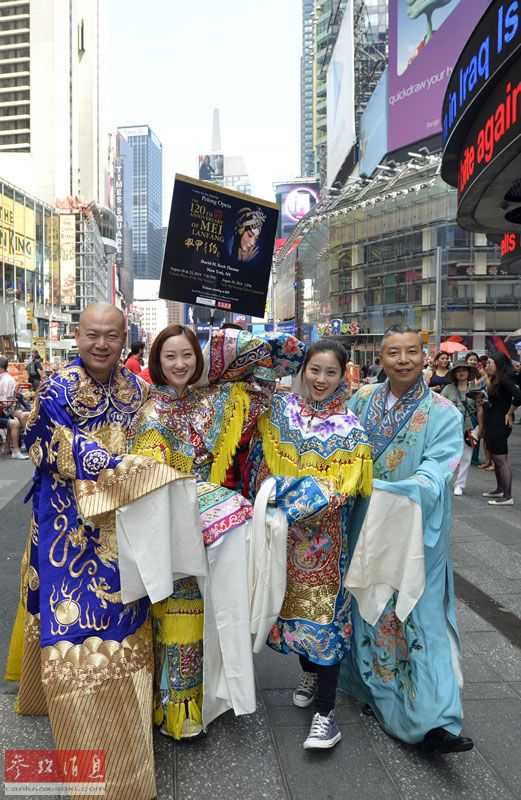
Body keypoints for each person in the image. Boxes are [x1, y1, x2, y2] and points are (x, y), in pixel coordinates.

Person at [7, 303, 189, 800]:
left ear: (125, 336)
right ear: (78, 336)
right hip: (66, 521)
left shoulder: (137, 390)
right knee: (71, 621)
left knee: (127, 612)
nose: (102, 344)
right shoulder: (57, 387)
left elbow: (156, 437)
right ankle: (87, 747)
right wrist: (120, 464)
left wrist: (150, 465)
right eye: (92, 335)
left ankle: (124, 727)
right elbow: (51, 445)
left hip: (123, 520)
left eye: (112, 335)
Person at [129, 324, 305, 739]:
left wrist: (229, 337)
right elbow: (155, 478)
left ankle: (206, 699)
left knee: (213, 616)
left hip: (216, 529)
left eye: (188, 355)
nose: (179, 364)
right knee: (176, 616)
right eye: (170, 356)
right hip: (170, 526)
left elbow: (282, 363)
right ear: (156, 360)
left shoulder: (218, 400)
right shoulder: (146, 410)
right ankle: (174, 710)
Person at [341, 325, 474, 754]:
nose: (403, 360)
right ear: (380, 358)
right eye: (393, 352)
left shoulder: (443, 413)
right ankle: (377, 694)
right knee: (372, 610)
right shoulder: (359, 401)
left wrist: (411, 487)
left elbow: (442, 465)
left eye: (411, 352)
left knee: (422, 616)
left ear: (425, 357)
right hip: (368, 528)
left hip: (418, 530)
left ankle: (435, 719)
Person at [243, 340, 372, 750]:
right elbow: (258, 462)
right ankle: (310, 673)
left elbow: (340, 490)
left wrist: (279, 490)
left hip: (325, 547)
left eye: (330, 372)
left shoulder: (351, 429)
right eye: (314, 370)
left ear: (343, 376)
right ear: (303, 370)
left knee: (326, 625)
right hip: (281, 542)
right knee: (292, 617)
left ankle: (326, 714)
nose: (321, 380)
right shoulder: (280, 411)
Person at [480, 352, 521, 506]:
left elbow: (518, 396)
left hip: (499, 423)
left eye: (490, 362)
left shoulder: (504, 378)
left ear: (498, 363)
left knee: (501, 459)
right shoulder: (496, 379)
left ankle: (507, 496)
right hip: (492, 421)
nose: (487, 365)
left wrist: (509, 413)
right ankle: (500, 489)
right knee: (496, 458)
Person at [441, 356, 479, 496]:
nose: (461, 373)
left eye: (464, 370)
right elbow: (440, 407)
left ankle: (460, 484)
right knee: (448, 455)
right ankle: (444, 479)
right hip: (451, 427)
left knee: (466, 456)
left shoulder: (475, 388)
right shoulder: (448, 389)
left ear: (469, 372)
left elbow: (480, 408)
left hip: (468, 426)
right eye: (458, 371)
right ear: (454, 374)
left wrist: (481, 428)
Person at [0, 356, 29, 459]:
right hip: (5, 410)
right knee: (18, 420)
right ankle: (17, 448)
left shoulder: (6, 380)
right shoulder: (7, 379)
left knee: (20, 417)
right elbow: (5, 402)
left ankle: (11, 447)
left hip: (5, 410)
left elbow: (5, 402)